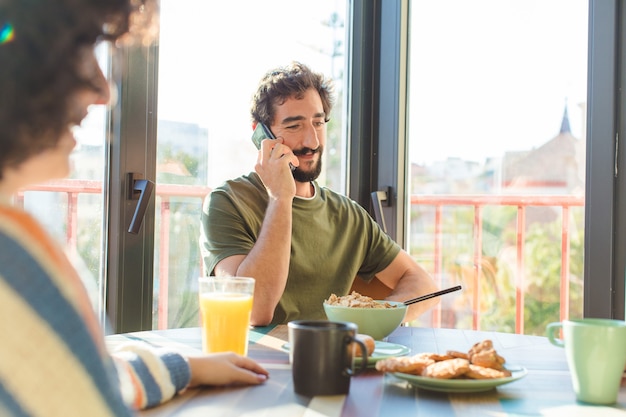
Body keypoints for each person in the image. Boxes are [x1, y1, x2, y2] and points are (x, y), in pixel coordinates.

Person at [0, 1, 268, 416]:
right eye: (82, 51)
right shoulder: (15, 254)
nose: (104, 91)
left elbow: (80, 379)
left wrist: (185, 367)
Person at [200, 61, 440, 326]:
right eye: (294, 126)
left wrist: (376, 319)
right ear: (260, 133)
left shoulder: (348, 215)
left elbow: (423, 284)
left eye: (318, 123)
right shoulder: (227, 202)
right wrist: (280, 197)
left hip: (331, 360)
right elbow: (254, 310)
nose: (311, 141)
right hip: (256, 362)